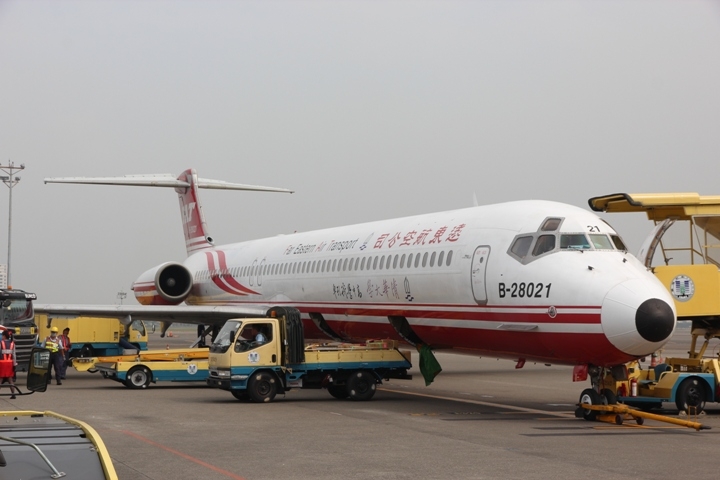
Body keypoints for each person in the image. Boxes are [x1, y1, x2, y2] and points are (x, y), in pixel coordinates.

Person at [0, 329, 20, 399]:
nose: (1, 337)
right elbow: (14, 355)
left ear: (4, 336)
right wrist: (14, 364)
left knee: (0, 379)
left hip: (2, 363)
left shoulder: (1, 343)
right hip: (10, 364)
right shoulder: (12, 343)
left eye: (2, 335)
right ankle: (13, 394)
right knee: (10, 379)